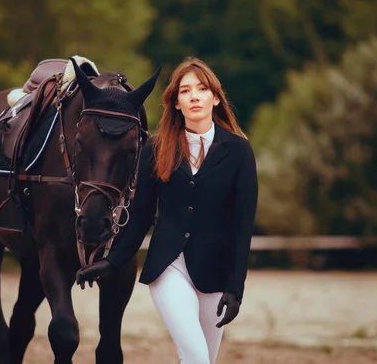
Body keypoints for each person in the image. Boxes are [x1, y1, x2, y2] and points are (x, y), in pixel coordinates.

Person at [76, 57, 258, 364]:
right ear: (175, 102)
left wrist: (235, 288)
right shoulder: (156, 149)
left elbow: (242, 226)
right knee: (197, 357)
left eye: (202, 89)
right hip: (169, 267)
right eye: (185, 91)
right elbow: (141, 217)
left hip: (216, 272)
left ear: (215, 97)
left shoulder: (239, 150)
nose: (194, 96)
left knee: (204, 360)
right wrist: (110, 262)